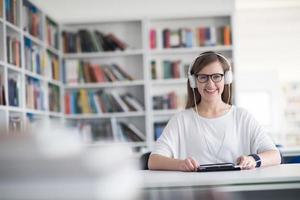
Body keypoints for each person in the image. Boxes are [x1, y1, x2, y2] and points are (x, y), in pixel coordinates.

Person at [148, 51, 281, 172]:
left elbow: (275, 155)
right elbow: (153, 161)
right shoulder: (181, 120)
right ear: (194, 82)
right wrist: (180, 164)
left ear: (226, 79)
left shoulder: (242, 117)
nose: (210, 84)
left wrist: (253, 160)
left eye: (216, 76)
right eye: (203, 77)